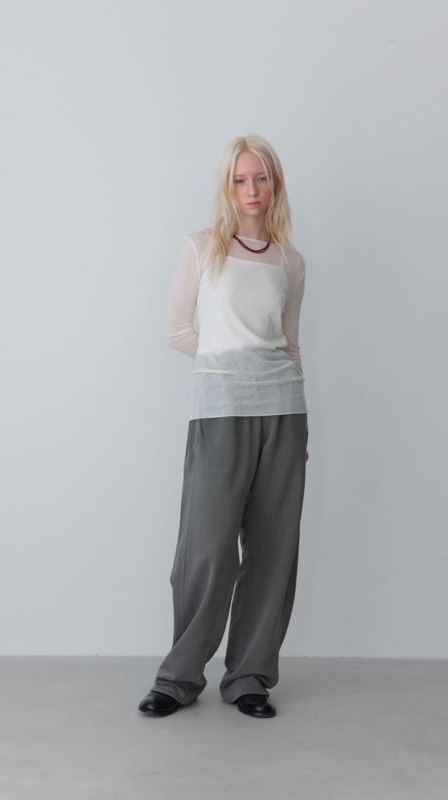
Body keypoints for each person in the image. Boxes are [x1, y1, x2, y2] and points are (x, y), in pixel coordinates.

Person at [139, 134, 309, 719]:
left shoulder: (291, 262)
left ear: (275, 183)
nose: (251, 190)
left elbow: (290, 346)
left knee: (273, 549)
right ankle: (179, 677)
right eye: (240, 180)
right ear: (227, 186)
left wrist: (297, 410)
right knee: (207, 548)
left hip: (284, 412)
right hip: (219, 410)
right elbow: (176, 330)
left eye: (261, 178)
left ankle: (250, 678)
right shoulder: (202, 247)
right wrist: (229, 364)